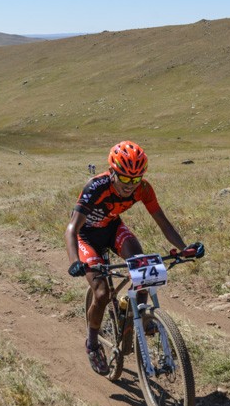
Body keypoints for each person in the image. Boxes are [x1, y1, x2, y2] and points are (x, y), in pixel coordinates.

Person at [65, 140, 204, 375]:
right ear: (112, 172)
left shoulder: (144, 188)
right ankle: (92, 343)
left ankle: (138, 314)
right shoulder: (96, 186)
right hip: (85, 236)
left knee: (143, 270)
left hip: (112, 228)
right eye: (124, 178)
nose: (130, 185)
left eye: (136, 179)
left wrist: (183, 248)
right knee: (101, 293)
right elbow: (71, 229)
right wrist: (74, 262)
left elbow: (163, 222)